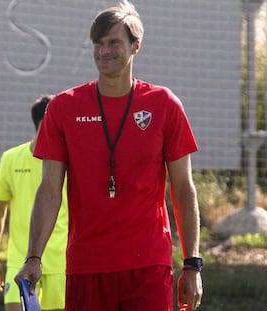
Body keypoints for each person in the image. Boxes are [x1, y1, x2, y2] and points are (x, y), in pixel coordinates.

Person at [16, 1, 203, 311]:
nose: (104, 51)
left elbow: (183, 188)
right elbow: (49, 189)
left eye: (114, 42)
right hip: (86, 264)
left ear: (135, 46)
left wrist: (192, 264)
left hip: (149, 265)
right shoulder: (64, 107)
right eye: (98, 43)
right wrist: (34, 256)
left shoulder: (164, 104)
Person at [0, 95, 68, 311]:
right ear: (43, 123)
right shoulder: (11, 158)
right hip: (19, 262)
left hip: (63, 265)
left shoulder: (72, 161)